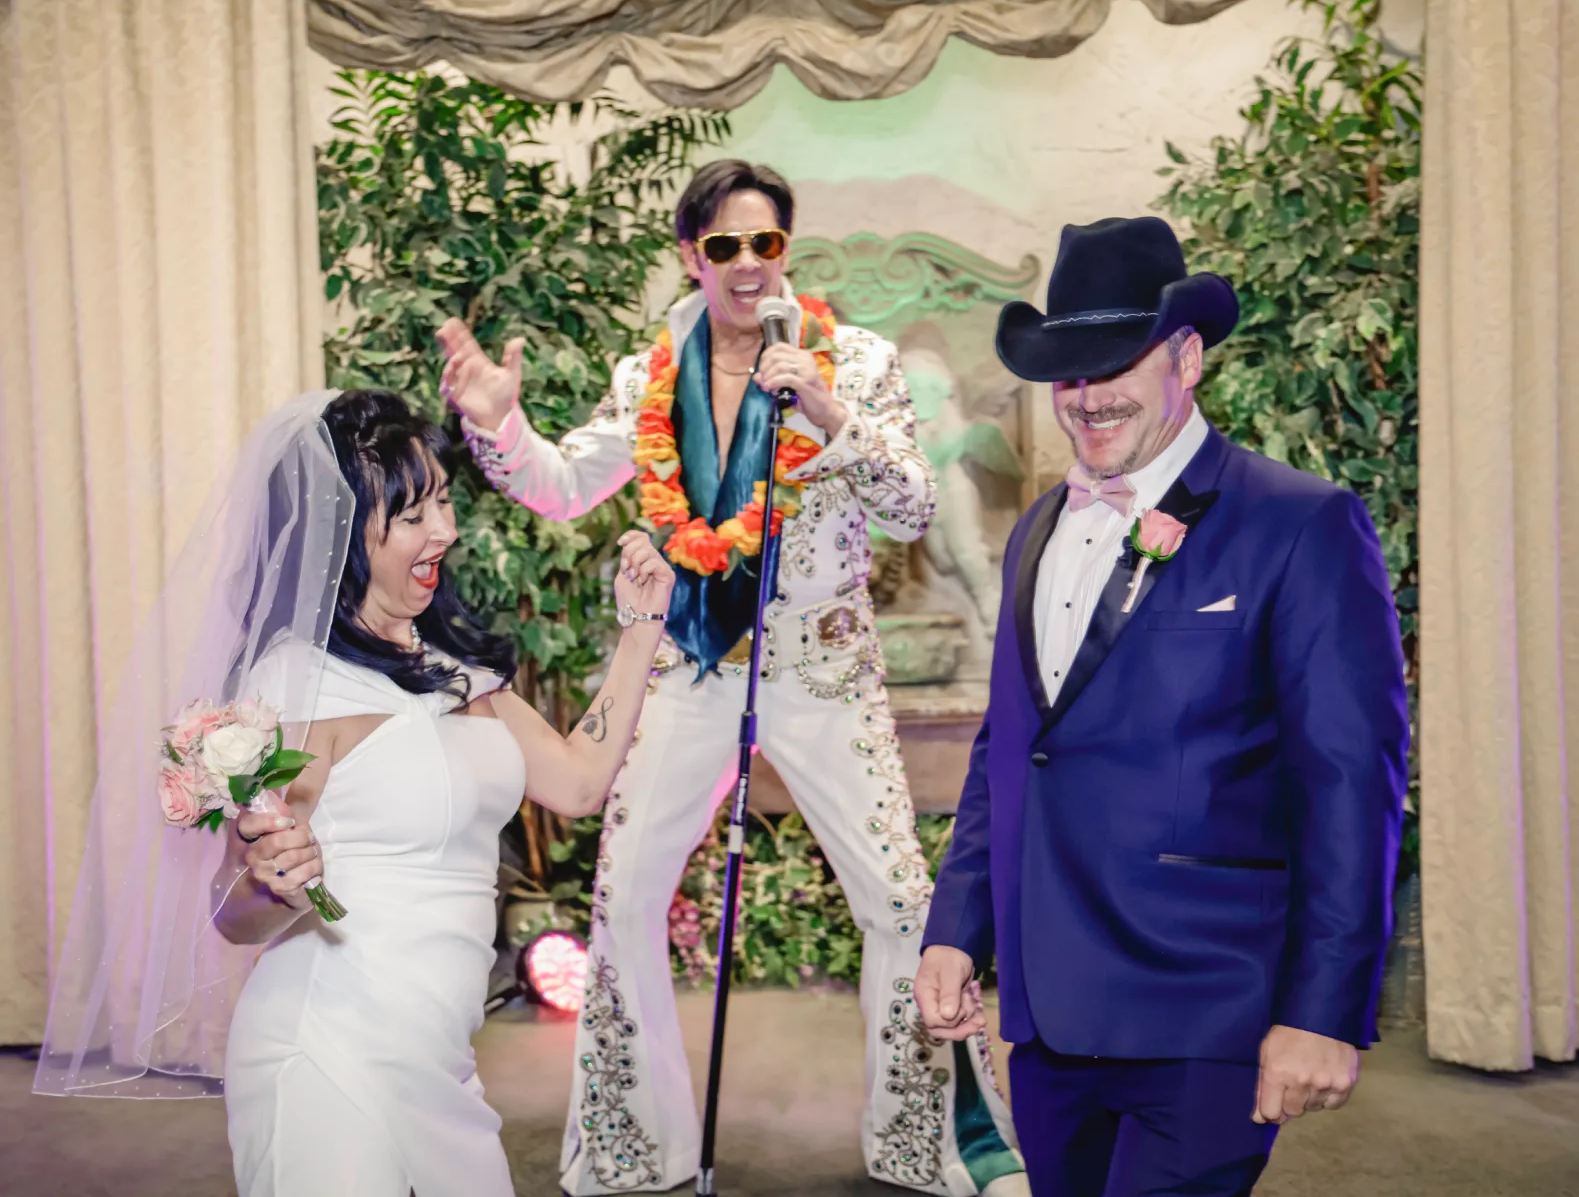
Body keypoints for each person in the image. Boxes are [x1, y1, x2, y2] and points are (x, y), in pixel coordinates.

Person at [437, 159, 1027, 1197]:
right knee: (622, 900)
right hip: (693, 666)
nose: (748, 266)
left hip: (826, 671)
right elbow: (569, 486)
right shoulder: (648, 376)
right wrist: (499, 425)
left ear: (784, 252)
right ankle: (635, 1149)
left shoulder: (855, 362)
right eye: (724, 247)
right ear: (690, 258)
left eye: (766, 244)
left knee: (899, 903)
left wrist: (829, 413)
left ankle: (927, 1142)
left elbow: (913, 506)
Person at [34, 389, 675, 1197]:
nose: (442, 530)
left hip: (436, 1059)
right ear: (340, 532)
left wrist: (642, 628)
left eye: (442, 500)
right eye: (411, 515)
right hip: (325, 1049)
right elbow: (235, 914)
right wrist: (271, 881)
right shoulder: (300, 682)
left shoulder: (454, 671)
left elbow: (578, 783)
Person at [916, 216, 1408, 1196]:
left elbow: (1351, 787)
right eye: (1066, 370)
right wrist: (954, 926)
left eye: (1116, 363)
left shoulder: (1301, 523)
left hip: (1206, 1014)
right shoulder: (1037, 531)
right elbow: (1010, 755)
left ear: (1186, 357)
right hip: (1047, 1019)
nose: (1088, 396)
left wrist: (1322, 1011)